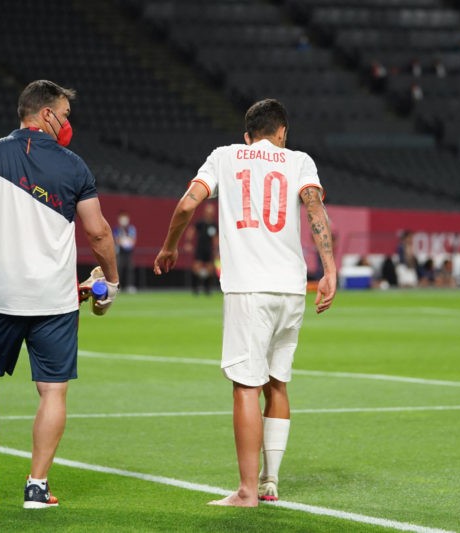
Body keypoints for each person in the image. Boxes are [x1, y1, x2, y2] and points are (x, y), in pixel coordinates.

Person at [0, 80, 119, 510]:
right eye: (66, 115)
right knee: (52, 392)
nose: (69, 124)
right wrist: (110, 281)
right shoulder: (75, 166)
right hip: (55, 300)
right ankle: (37, 486)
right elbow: (99, 231)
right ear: (46, 114)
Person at [154, 98, 337, 507]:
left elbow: (187, 203)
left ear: (247, 135)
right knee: (278, 382)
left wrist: (169, 248)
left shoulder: (225, 156)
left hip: (249, 289)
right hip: (292, 289)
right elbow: (315, 207)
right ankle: (270, 481)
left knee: (245, 387)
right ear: (282, 132)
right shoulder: (299, 161)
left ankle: (247, 491)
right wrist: (329, 270)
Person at [183, 203, 218, 295]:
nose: (209, 213)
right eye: (208, 211)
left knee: (210, 269)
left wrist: (216, 249)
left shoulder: (214, 225)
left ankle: (207, 289)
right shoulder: (200, 223)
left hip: (209, 250)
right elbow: (191, 231)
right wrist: (188, 242)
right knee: (196, 268)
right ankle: (195, 288)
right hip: (200, 249)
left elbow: (216, 238)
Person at [113, 210, 137, 292]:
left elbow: (133, 239)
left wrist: (128, 243)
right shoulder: (117, 229)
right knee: (118, 269)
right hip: (120, 252)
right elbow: (116, 239)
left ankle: (130, 286)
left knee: (130, 269)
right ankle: (118, 286)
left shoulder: (131, 229)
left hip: (129, 252)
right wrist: (122, 242)